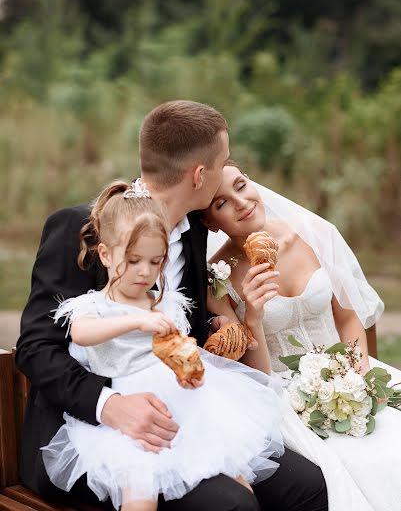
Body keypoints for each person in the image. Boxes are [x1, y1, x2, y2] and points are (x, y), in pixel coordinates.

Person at [17, 100, 328, 511]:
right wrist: (110, 406)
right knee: (232, 505)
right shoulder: (85, 228)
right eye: (223, 163)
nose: (225, 171)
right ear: (201, 176)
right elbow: (37, 347)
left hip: (184, 413)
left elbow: (187, 328)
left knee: (307, 486)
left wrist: (224, 329)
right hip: (91, 433)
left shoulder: (194, 232)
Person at [41, 179, 285, 511]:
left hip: (181, 407)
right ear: (106, 255)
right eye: (134, 260)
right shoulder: (93, 307)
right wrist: (135, 321)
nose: (145, 272)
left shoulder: (164, 303)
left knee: (235, 472)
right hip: (127, 412)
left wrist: (190, 371)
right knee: (139, 490)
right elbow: (82, 334)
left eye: (155, 262)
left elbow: (176, 349)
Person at [204, 161, 401, 510]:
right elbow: (258, 376)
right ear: (209, 222)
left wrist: (357, 378)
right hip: (285, 399)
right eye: (221, 203)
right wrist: (254, 315)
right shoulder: (218, 278)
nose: (241, 201)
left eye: (241, 184)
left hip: (352, 374)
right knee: (364, 465)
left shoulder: (314, 233)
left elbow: (349, 319)